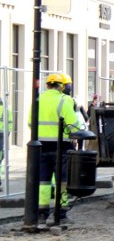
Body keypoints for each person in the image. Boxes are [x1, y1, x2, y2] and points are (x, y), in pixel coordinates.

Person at [30, 74, 85, 223]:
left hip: (41, 147)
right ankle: (60, 214)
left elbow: (30, 122)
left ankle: (42, 214)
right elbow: (74, 126)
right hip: (61, 147)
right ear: (62, 87)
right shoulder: (64, 100)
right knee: (62, 182)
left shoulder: (38, 100)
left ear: (47, 85)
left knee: (43, 181)